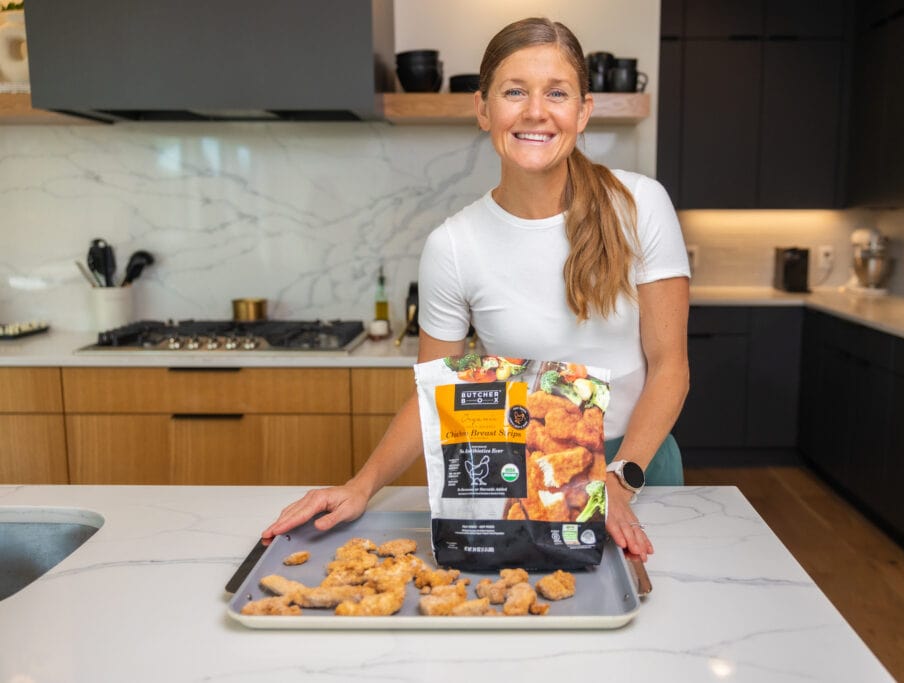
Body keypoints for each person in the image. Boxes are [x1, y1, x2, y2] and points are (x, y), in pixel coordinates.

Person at [262, 17, 691, 562]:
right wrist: (360, 485)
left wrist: (617, 482)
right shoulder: (454, 245)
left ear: (582, 111)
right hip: (525, 475)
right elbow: (435, 396)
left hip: (638, 467)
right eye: (515, 92)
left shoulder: (639, 205)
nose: (536, 111)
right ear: (484, 108)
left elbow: (670, 367)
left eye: (556, 93)